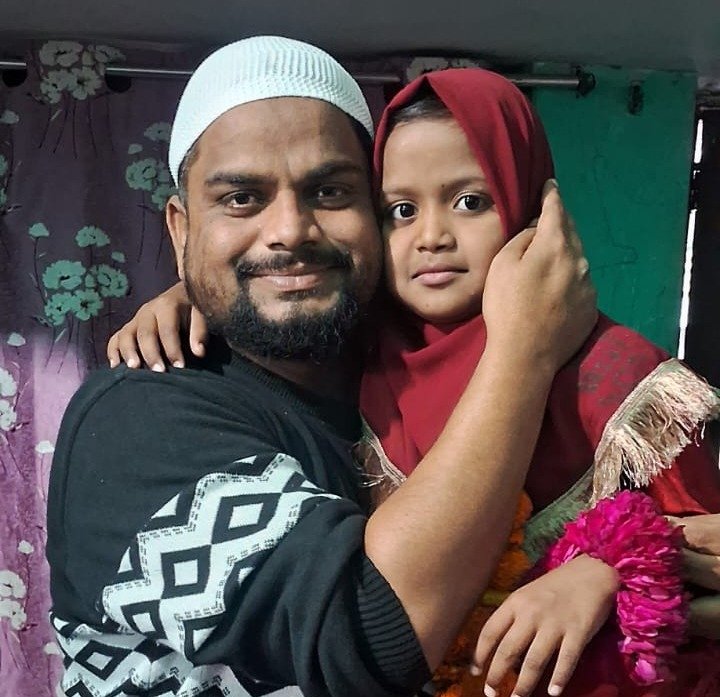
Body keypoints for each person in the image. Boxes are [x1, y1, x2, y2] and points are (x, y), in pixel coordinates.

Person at [110, 65, 720, 696]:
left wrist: (604, 573)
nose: (431, 237)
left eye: (471, 202)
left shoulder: (617, 376)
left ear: (533, 206)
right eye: (400, 210)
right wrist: (193, 293)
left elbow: (707, 550)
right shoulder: (366, 349)